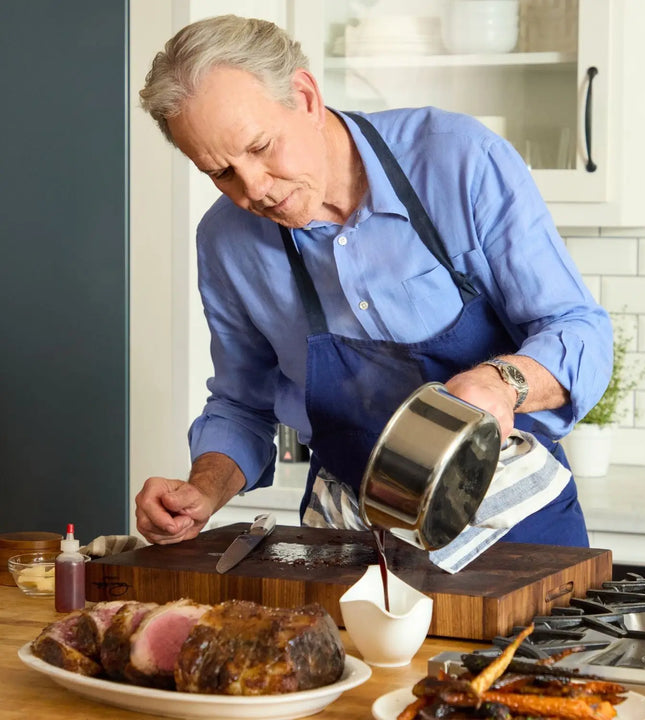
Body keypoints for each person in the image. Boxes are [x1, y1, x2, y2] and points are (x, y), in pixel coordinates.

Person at [135, 15, 613, 550]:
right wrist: (203, 490)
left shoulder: (456, 160)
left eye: (261, 147)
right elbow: (243, 404)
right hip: (353, 542)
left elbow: (580, 331)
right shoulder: (226, 242)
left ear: (306, 96)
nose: (254, 190)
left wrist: (499, 384)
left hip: (517, 527)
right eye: (220, 173)